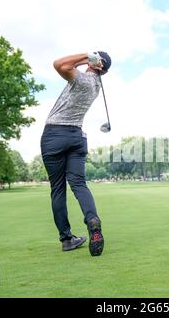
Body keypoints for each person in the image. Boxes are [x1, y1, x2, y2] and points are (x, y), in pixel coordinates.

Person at [41, 51, 111, 256]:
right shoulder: (96, 85)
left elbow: (58, 63)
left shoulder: (84, 80)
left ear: (98, 65)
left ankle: (67, 238)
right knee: (79, 183)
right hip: (77, 137)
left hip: (55, 135)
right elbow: (69, 68)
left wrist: (86, 56)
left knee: (58, 189)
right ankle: (92, 219)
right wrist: (91, 61)